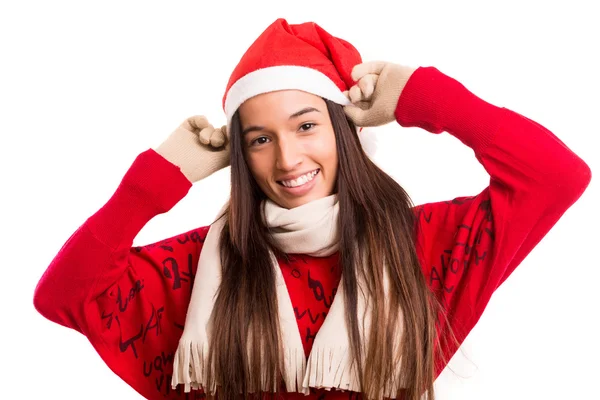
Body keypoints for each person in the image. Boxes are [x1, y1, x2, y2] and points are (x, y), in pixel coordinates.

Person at [33, 18, 591, 400]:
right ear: (240, 158)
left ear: (343, 132)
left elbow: (557, 177)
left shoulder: (422, 247)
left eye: (305, 125)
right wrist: (153, 183)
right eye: (258, 139)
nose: (287, 157)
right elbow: (61, 297)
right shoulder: (196, 266)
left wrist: (430, 98)